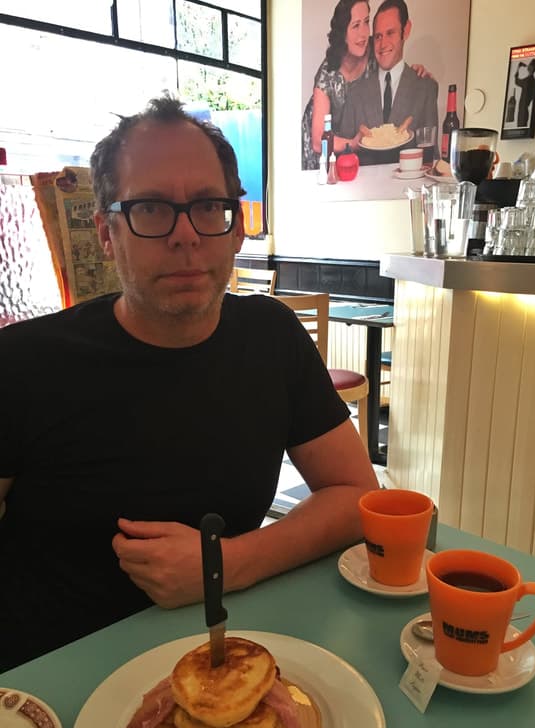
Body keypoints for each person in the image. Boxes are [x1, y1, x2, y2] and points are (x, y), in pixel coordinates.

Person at [0, 94, 378, 671]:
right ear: (106, 233)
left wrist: (223, 565)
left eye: (207, 206)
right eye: (151, 208)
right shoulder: (23, 363)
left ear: (235, 229)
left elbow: (358, 497)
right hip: (53, 689)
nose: (186, 236)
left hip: (222, 660)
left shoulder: (271, 339)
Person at [301, 0, 432, 170]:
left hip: (352, 147)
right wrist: (354, 143)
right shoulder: (328, 72)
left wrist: (417, 72)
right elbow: (319, 141)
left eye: (366, 22)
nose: (363, 34)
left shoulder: (375, 47)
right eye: (356, 26)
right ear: (342, 33)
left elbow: (395, 59)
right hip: (323, 145)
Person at [339, 0, 438, 165]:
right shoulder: (355, 92)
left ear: (405, 31)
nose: (383, 44)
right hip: (366, 189)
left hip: (408, 188)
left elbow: (430, 158)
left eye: (390, 33)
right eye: (378, 36)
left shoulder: (425, 88)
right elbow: (344, 157)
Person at [515, 59, 535, 128]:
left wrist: (518, 67)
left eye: (530, 65)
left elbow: (517, 81)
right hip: (525, 109)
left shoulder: (528, 80)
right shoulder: (533, 80)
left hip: (523, 110)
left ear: (532, 68)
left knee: (520, 127)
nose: (528, 66)